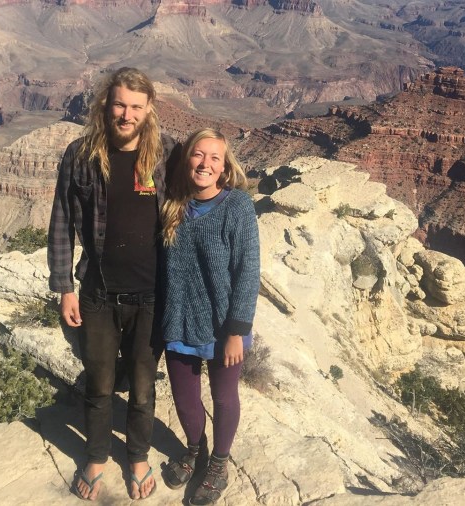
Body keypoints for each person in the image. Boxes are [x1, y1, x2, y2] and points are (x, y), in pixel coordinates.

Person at [47, 67, 178, 501]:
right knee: (99, 382)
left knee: (143, 384)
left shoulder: (166, 154)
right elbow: (62, 222)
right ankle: (97, 455)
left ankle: (138, 456)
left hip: (152, 296)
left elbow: (202, 195)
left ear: (149, 110)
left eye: (136, 107)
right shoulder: (81, 155)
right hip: (98, 292)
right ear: (107, 104)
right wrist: (64, 285)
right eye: (120, 104)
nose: (126, 115)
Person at [159, 128, 260, 505]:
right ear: (187, 161)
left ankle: (219, 463)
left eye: (214, 158)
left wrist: (237, 330)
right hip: (178, 318)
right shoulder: (173, 205)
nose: (205, 163)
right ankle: (195, 449)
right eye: (198, 155)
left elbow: (248, 271)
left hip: (223, 326)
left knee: (222, 396)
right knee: (185, 400)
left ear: (224, 167)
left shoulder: (237, 207)